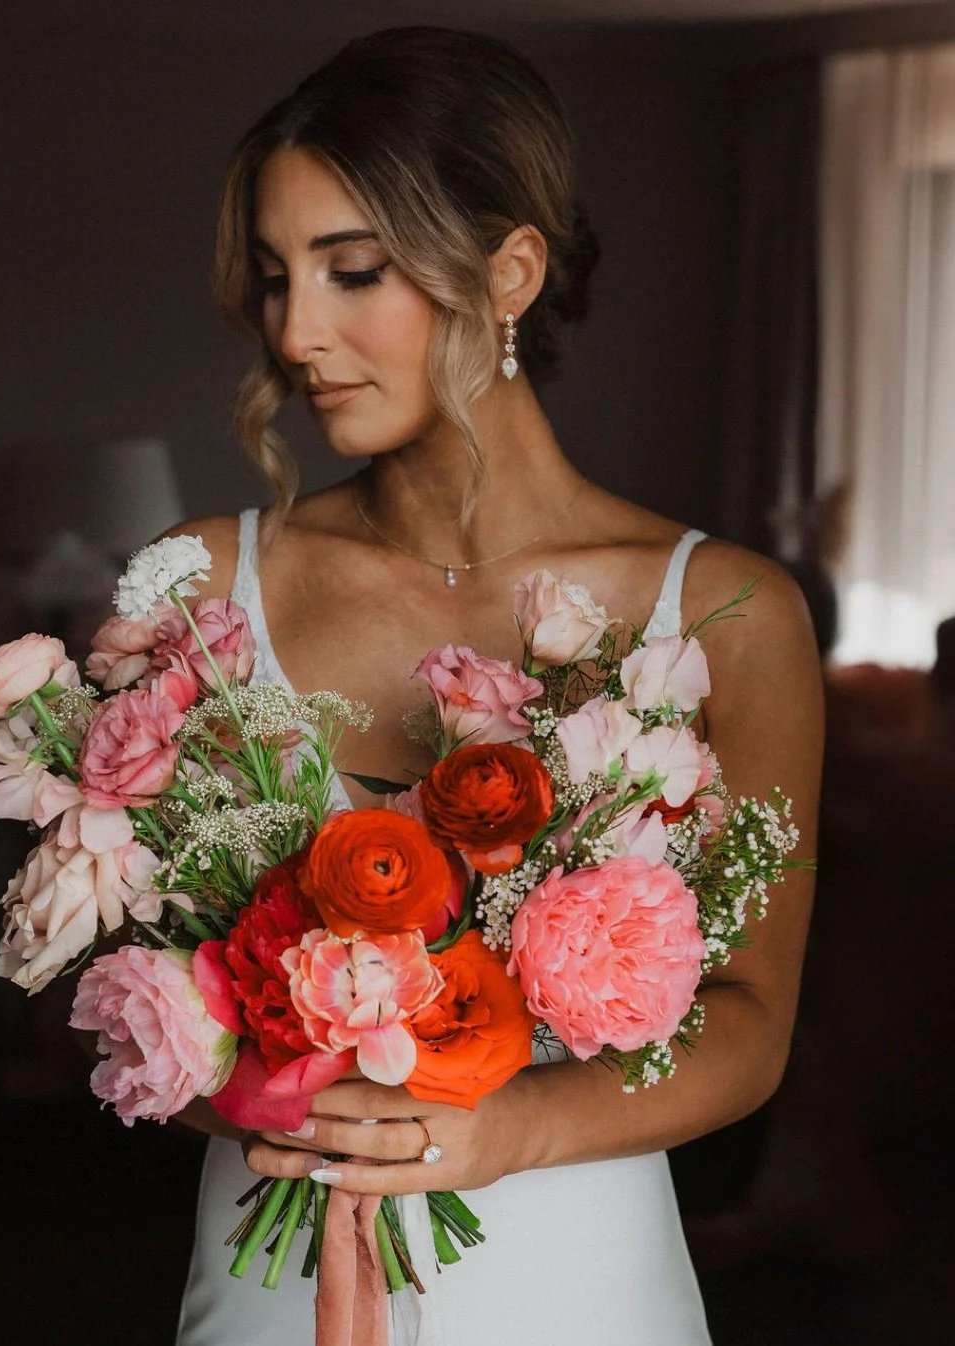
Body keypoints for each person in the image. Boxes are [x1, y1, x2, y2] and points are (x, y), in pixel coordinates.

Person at [167, 26, 822, 1346]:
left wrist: (508, 1126)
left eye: (354, 270)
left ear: (510, 271)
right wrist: (245, 1082)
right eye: (277, 277)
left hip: (577, 1275)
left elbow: (751, 1027)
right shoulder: (204, 588)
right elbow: (133, 989)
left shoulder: (725, 613)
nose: (296, 332)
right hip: (276, 1270)